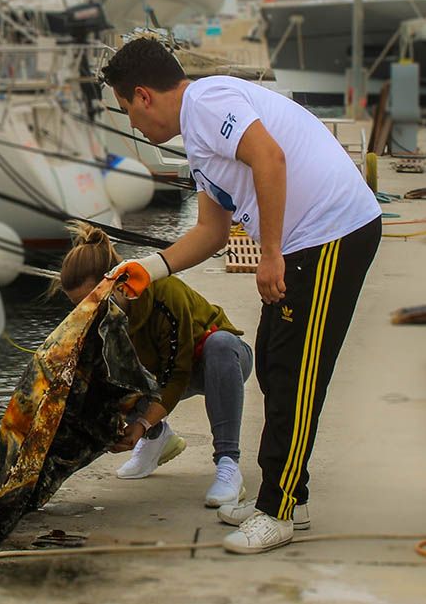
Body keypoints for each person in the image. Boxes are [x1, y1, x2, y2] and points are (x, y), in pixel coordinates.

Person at [100, 37, 381, 554]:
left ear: (142, 95)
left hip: (329, 233)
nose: (134, 125)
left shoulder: (206, 103)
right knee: (277, 366)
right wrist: (148, 268)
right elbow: (210, 231)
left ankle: (278, 512)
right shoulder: (200, 140)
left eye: (127, 111)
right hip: (305, 242)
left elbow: (269, 159)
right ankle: (287, 498)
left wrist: (270, 252)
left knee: (296, 374)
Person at [54, 222, 252, 508]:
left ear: (117, 283)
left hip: (213, 363)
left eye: (93, 301)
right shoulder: (97, 320)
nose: (87, 311)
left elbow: (179, 374)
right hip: (157, 372)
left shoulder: (163, 291)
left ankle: (228, 465)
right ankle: (158, 439)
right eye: (79, 306)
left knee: (221, 344)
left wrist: (141, 422)